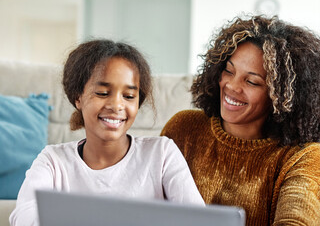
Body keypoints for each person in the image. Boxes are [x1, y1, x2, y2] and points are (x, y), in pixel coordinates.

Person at [161, 15, 320, 225]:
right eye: (228, 71)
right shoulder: (183, 128)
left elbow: (298, 218)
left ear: (281, 96)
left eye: (252, 82)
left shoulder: (301, 155)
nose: (231, 86)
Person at [10, 39, 204, 225]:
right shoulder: (53, 160)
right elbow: (24, 217)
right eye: (102, 93)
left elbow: (197, 219)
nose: (117, 105)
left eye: (129, 96)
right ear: (78, 97)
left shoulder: (162, 153)